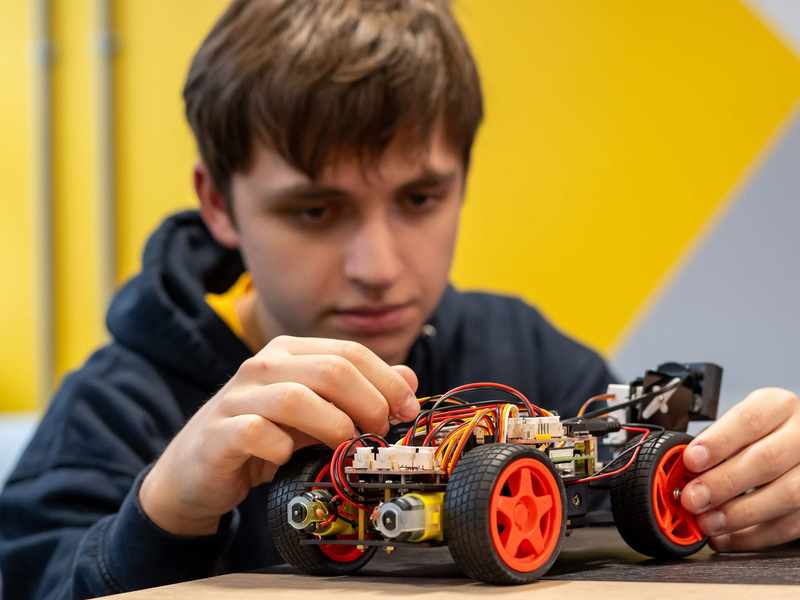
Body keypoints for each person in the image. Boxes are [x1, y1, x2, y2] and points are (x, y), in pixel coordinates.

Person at [1, 0, 798, 598]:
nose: (378, 267)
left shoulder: (522, 355)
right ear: (218, 203)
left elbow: (638, 499)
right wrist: (163, 513)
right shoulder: (120, 403)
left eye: (419, 199)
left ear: (463, 180)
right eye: (315, 210)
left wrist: (752, 492)